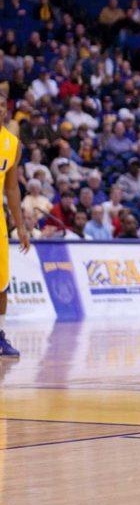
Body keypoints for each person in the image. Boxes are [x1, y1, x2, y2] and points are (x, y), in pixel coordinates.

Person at [0, 95, 30, 356]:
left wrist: (20, 226)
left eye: (1, 105)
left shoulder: (12, 144)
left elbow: (11, 188)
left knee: (1, 283)